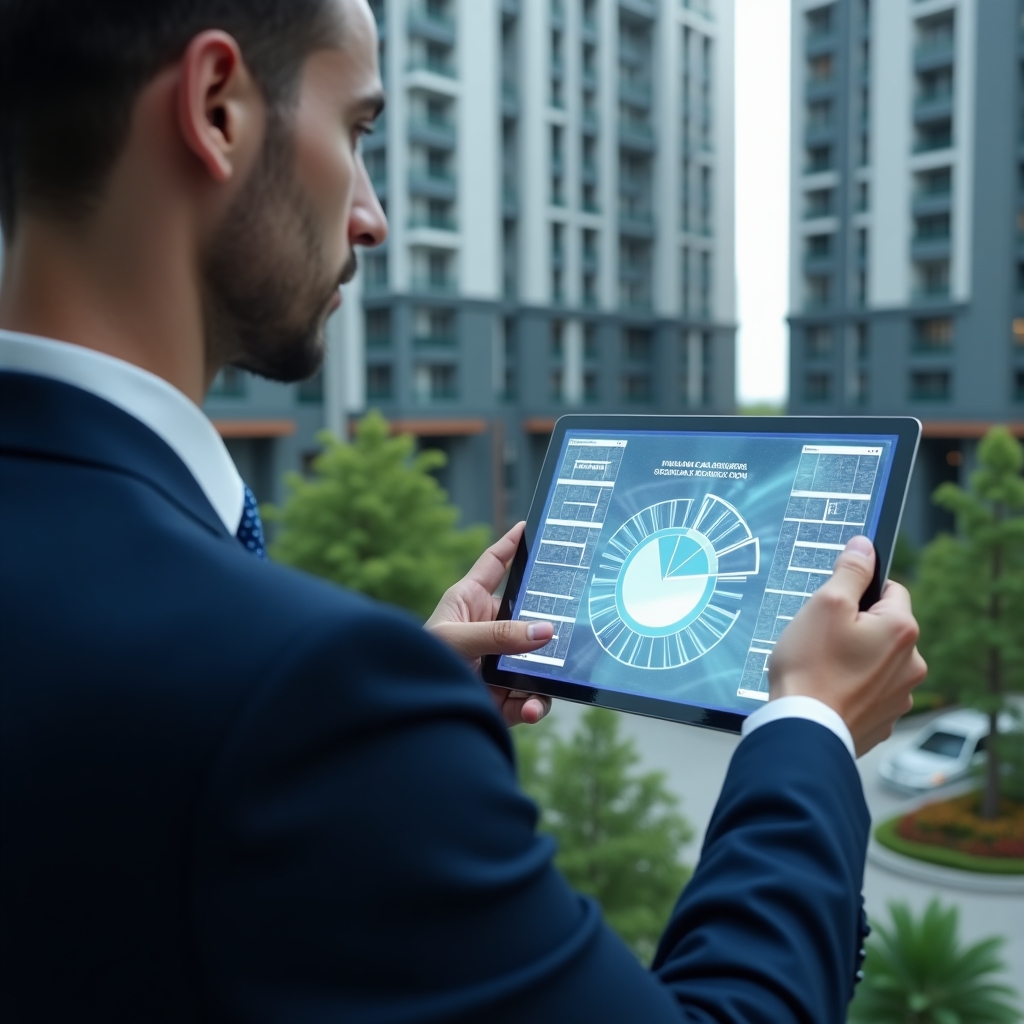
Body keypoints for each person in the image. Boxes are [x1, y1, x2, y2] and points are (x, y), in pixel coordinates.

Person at [0, 1, 926, 1021]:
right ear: (217, 108)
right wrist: (810, 727)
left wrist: (382, 743)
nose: (372, 214)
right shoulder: (304, 695)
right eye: (356, 132)